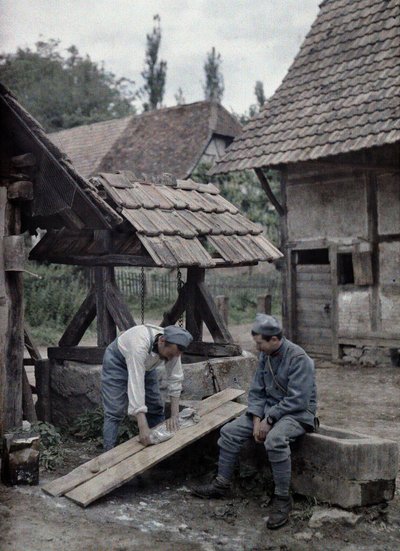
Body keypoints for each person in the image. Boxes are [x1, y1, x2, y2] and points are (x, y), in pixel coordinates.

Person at [192, 314, 317, 530]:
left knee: (275, 440)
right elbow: (257, 391)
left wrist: (269, 419)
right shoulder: (266, 356)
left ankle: (282, 499)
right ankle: (221, 484)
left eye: (260, 343)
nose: (256, 348)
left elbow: (298, 400)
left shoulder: (298, 358)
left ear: (274, 340)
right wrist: (258, 418)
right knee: (230, 431)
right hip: (269, 412)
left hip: (297, 414)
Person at [101, 324, 193, 451]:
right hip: (117, 362)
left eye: (174, 356)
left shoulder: (173, 347)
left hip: (146, 365)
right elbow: (135, 384)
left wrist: (174, 415)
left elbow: (175, 378)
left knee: (155, 406)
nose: (171, 358)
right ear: (162, 341)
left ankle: (160, 451)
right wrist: (143, 426)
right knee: (115, 411)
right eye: (170, 355)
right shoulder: (139, 345)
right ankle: (108, 455)